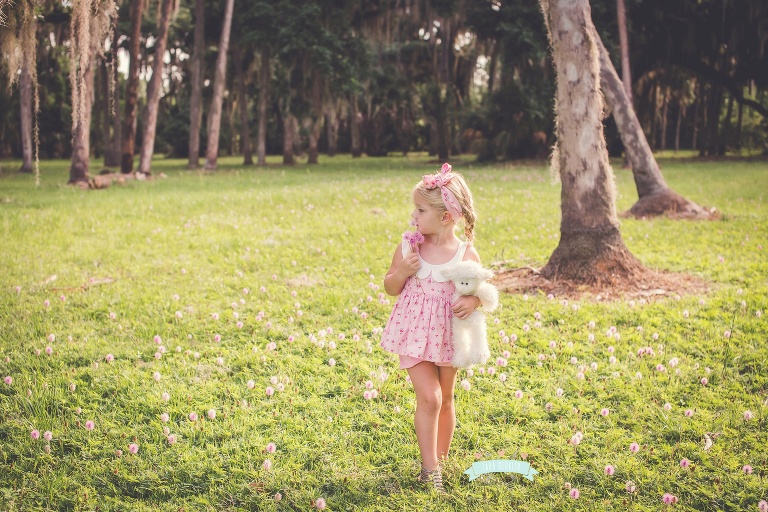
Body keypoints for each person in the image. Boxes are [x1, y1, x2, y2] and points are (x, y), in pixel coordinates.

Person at [380, 163, 482, 494]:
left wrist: (474, 302)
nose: (414, 216)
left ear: (445, 217)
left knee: (447, 398)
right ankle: (430, 470)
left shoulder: (466, 254)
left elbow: (479, 290)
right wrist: (402, 273)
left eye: (421, 210)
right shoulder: (410, 247)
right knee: (430, 397)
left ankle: (439, 458)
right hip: (413, 334)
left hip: (447, 335)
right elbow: (390, 286)